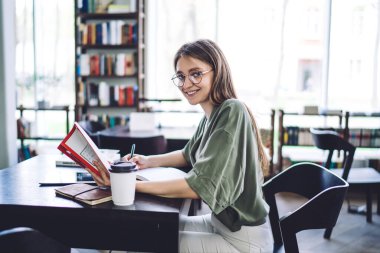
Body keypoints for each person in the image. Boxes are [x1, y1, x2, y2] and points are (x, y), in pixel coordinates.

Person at [89, 39, 273, 253]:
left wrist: (126, 184)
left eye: (196, 74)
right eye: (181, 76)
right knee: (140, 229)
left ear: (217, 71)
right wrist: (148, 160)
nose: (186, 85)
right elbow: (188, 154)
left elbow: (198, 186)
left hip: (243, 241)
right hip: (221, 224)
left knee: (137, 241)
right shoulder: (211, 116)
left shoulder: (232, 110)